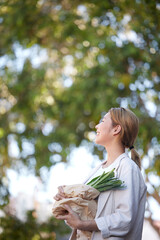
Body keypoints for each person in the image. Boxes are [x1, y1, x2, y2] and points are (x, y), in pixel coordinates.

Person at [54, 107, 147, 240]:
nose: (97, 126)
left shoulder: (127, 168)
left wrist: (82, 224)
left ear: (116, 129)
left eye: (103, 121)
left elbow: (125, 219)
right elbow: (89, 213)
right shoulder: (97, 170)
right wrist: (68, 199)